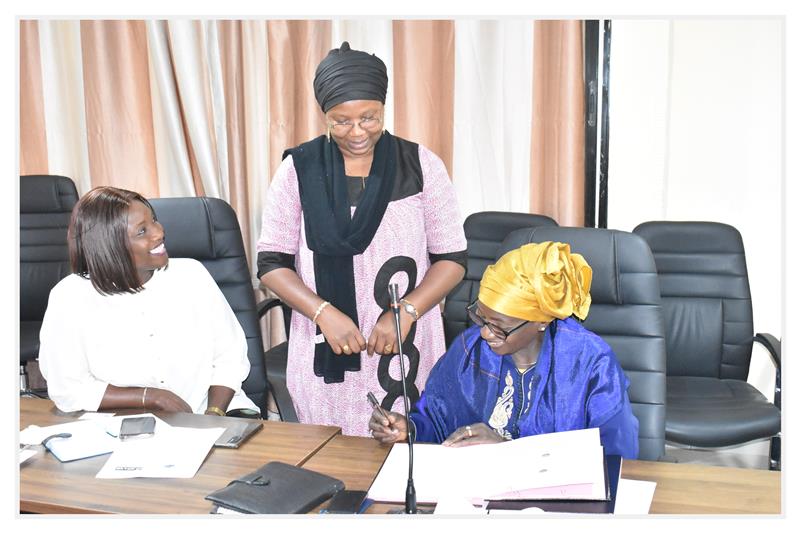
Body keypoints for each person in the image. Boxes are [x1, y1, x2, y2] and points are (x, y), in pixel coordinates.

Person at [257, 42, 467, 436]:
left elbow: (452, 259)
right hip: (326, 341)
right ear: (324, 116)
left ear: (383, 109)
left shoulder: (421, 165)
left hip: (409, 338)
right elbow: (272, 264)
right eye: (341, 121)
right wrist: (324, 314)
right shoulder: (297, 171)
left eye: (368, 118)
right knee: (331, 458)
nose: (356, 132)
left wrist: (406, 312)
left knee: (410, 449)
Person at [369, 241, 640, 458]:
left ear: (541, 321)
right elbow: (436, 420)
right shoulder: (470, 350)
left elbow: (617, 454)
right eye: (482, 317)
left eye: (499, 326)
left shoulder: (590, 363)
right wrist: (410, 429)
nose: (485, 332)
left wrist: (508, 451)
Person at [39, 186, 259, 417]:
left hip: (210, 410)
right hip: (123, 424)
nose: (158, 233)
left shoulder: (192, 275)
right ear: (110, 245)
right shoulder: (70, 297)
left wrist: (214, 414)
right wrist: (152, 397)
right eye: (142, 231)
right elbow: (67, 388)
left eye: (154, 220)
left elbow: (230, 355)